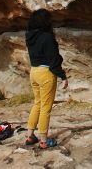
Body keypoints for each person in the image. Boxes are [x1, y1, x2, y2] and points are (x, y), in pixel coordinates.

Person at [24, 8, 68, 148]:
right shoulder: (47, 37)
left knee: (37, 103)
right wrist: (62, 76)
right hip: (46, 73)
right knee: (45, 108)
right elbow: (53, 59)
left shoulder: (29, 36)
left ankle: (30, 136)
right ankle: (44, 140)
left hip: (34, 71)